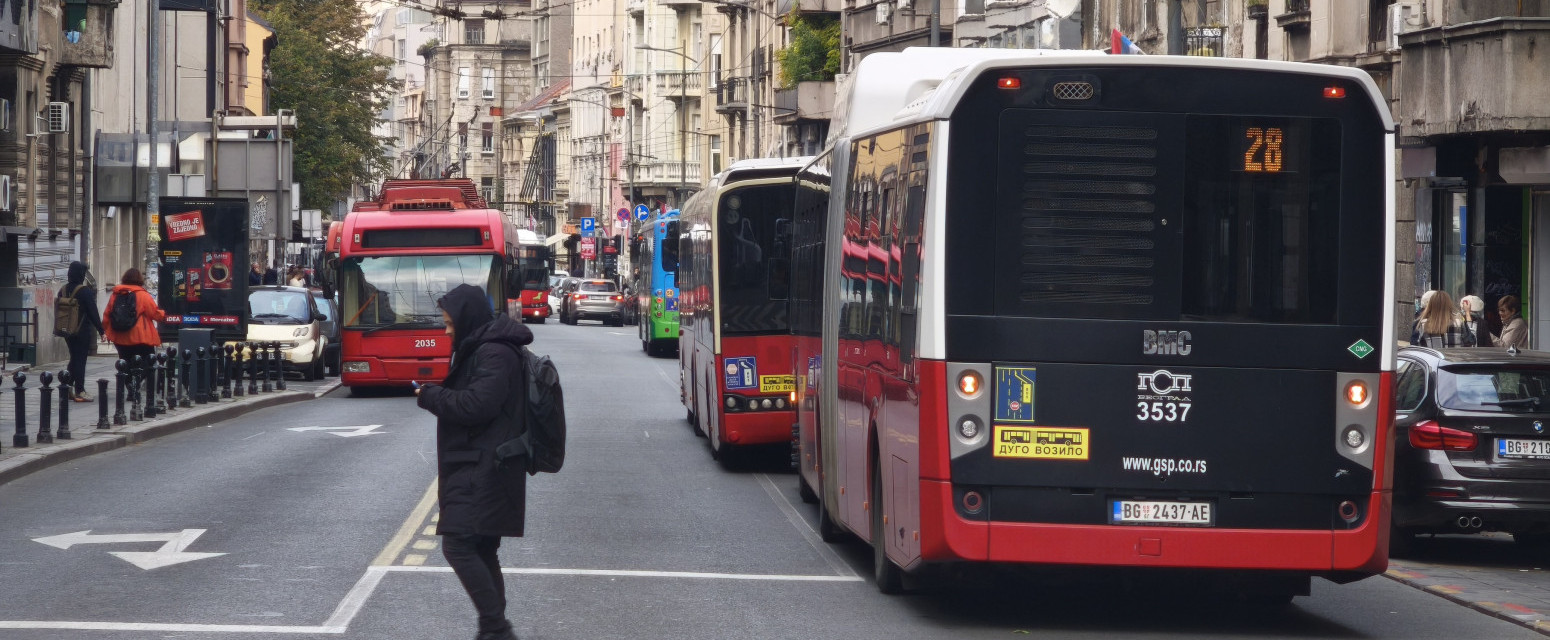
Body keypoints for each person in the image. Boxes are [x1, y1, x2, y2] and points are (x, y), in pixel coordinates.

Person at [414, 284, 531, 640]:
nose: (446, 330)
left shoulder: (493, 353)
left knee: (460, 544)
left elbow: (477, 406)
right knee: (480, 545)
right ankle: (495, 628)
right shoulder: (485, 348)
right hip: (481, 460)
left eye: (450, 323)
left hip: (485, 464)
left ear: (467, 318)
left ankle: (496, 627)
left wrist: (430, 396)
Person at [102, 268, 167, 371]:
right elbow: (155, 314)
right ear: (139, 279)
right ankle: (137, 383)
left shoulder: (116, 294)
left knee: (124, 364)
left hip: (120, 337)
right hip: (141, 337)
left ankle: (128, 384)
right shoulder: (143, 295)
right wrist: (163, 314)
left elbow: (107, 315)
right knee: (147, 363)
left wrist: (106, 331)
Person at [60, 261, 104, 402]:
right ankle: (80, 390)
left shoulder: (63, 289)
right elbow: (93, 312)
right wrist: (102, 331)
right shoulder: (84, 291)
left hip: (66, 331)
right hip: (82, 331)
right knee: (80, 360)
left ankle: (66, 386)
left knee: (74, 357)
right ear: (81, 274)